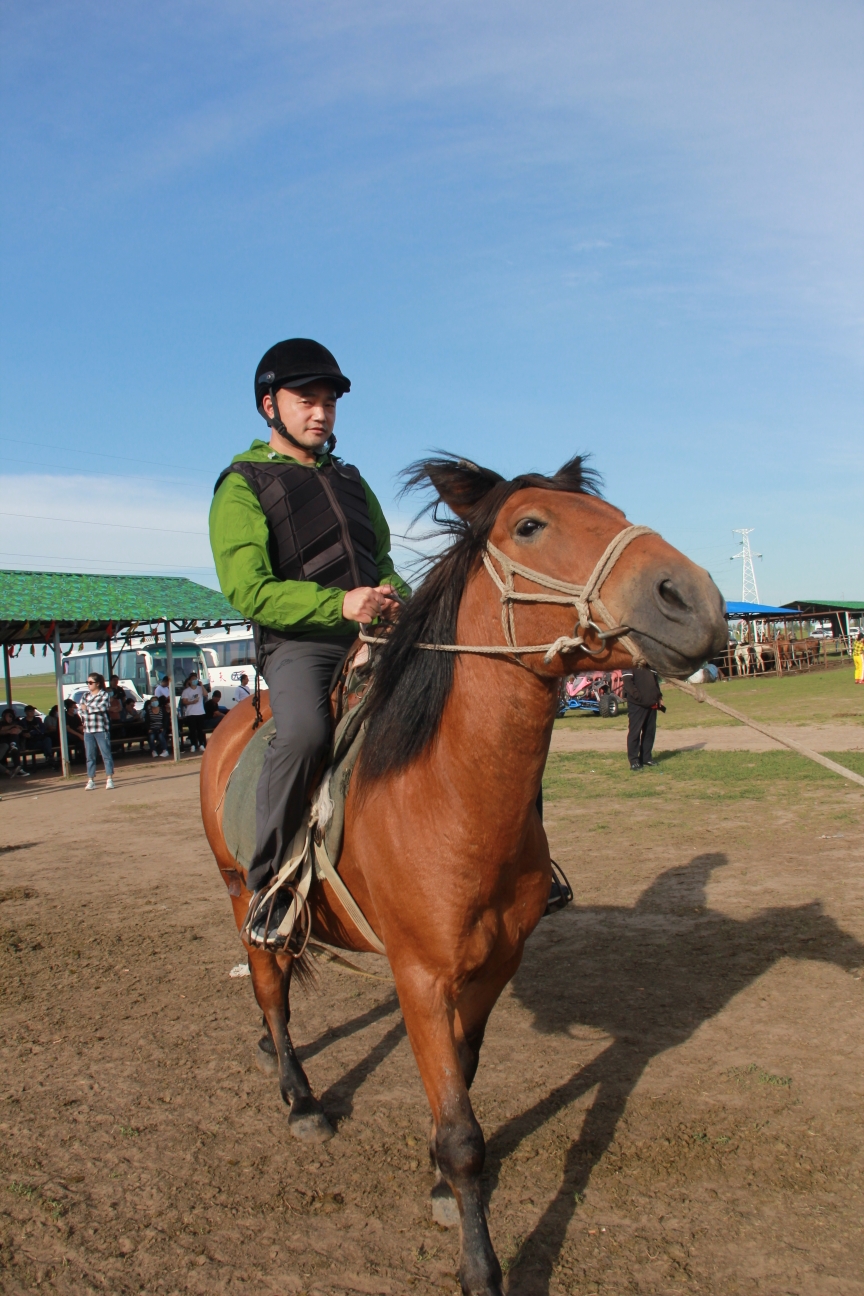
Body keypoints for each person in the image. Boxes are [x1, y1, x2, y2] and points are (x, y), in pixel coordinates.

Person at [210, 337, 410, 944]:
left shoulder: (352, 480)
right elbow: (249, 589)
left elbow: (383, 560)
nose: (321, 412)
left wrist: (397, 597)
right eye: (307, 399)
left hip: (373, 631)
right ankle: (269, 885)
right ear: (270, 404)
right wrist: (339, 604)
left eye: (329, 401)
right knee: (305, 733)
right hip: (301, 644)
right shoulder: (241, 484)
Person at [621, 665, 664, 771]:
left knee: (650, 731)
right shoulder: (629, 663)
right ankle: (634, 761)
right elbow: (628, 683)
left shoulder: (649, 663)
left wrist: (659, 696)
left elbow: (655, 681)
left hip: (652, 703)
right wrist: (638, 696)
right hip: (637, 704)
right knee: (635, 732)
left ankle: (646, 757)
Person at [77, 672, 115, 790]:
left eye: (91, 682)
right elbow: (81, 709)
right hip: (88, 729)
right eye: (87, 682)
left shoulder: (104, 695)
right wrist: (87, 710)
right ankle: (91, 779)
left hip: (100, 728)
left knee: (106, 754)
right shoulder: (85, 695)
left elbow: (102, 708)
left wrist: (87, 708)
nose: (88, 684)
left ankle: (109, 778)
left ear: (97, 683)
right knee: (90, 755)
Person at [180, 673, 207, 752]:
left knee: (200, 730)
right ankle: (193, 745)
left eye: (195, 679)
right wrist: (192, 702)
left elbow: (205, 694)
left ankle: (201, 744)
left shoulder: (199, 689)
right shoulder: (186, 691)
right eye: (193, 679)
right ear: (189, 681)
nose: (194, 681)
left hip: (200, 712)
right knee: (192, 730)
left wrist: (202, 686)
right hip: (191, 713)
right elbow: (184, 701)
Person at [0, 709, 29, 778]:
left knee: (15, 749)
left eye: (12, 716)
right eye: (9, 716)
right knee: (10, 746)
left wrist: (16, 729)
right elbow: (1, 730)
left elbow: (19, 730)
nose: (10, 718)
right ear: (4, 716)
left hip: (11, 745)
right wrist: (9, 730)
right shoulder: (1, 723)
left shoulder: (16, 722)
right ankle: (10, 772)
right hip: (3, 745)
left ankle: (17, 769)